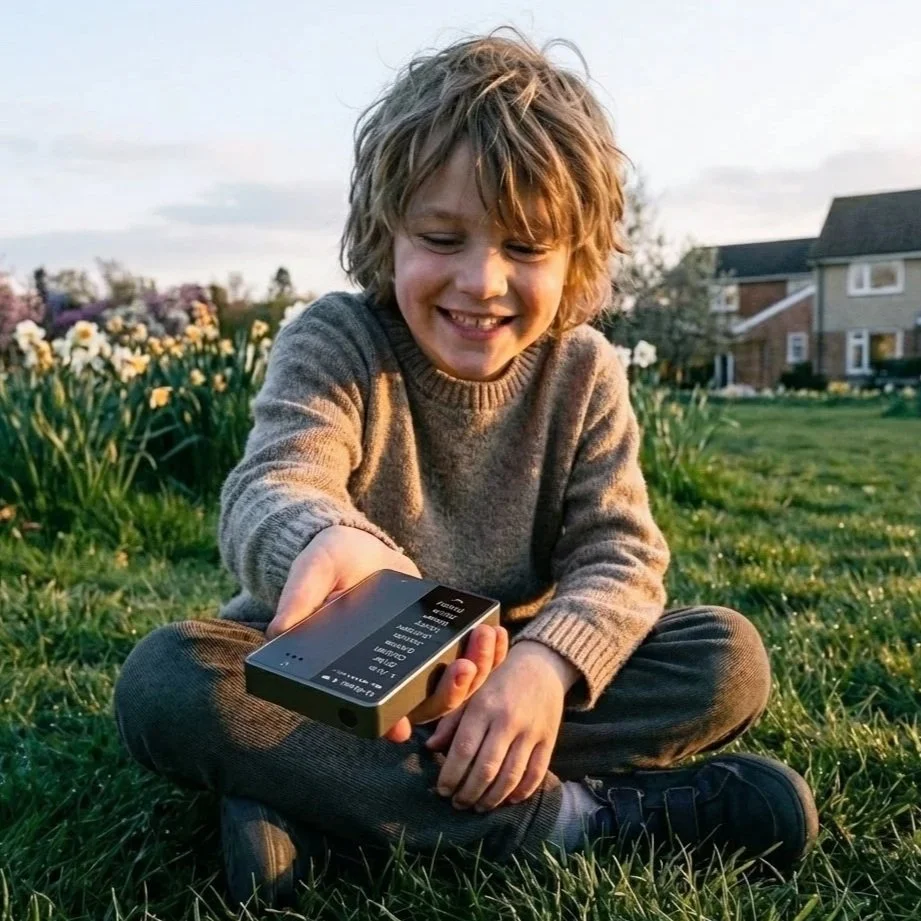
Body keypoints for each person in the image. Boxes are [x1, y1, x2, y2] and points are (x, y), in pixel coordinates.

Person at [113, 30, 819, 909]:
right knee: (168, 679)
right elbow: (275, 481)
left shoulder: (584, 371)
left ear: (577, 258)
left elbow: (621, 555)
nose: (481, 280)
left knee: (726, 658)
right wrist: (326, 537)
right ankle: (572, 817)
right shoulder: (335, 340)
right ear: (386, 233)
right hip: (333, 682)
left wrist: (544, 667)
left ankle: (320, 803)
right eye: (442, 237)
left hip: (508, 673)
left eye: (525, 247)